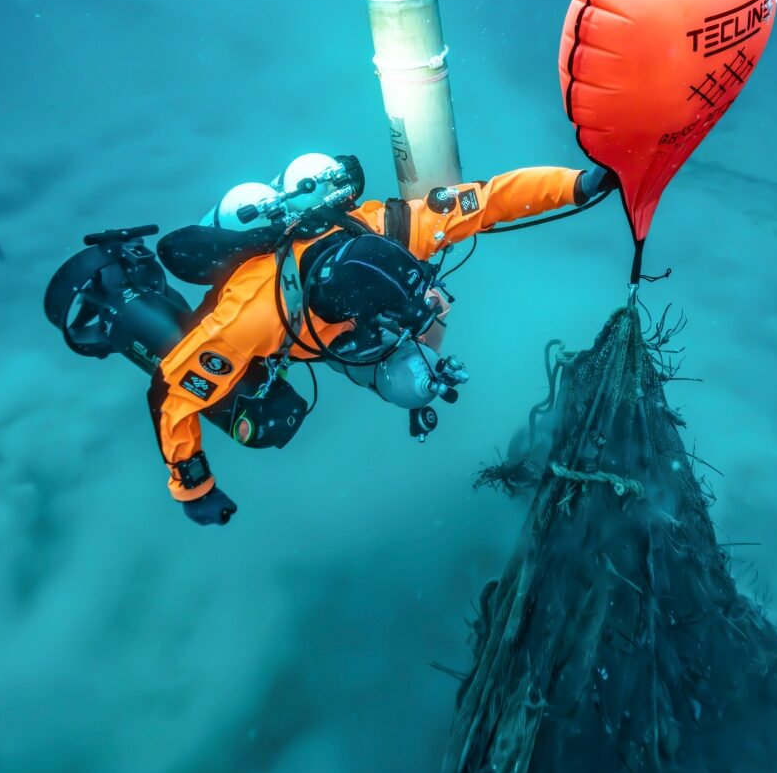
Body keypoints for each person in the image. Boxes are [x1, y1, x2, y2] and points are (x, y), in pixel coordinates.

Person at [147, 154, 617, 525]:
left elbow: (491, 198)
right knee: (275, 413)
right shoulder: (253, 314)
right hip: (288, 334)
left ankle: (409, 324)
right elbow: (174, 393)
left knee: (427, 319)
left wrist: (578, 185)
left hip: (339, 314)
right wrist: (194, 486)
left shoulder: (389, 227)